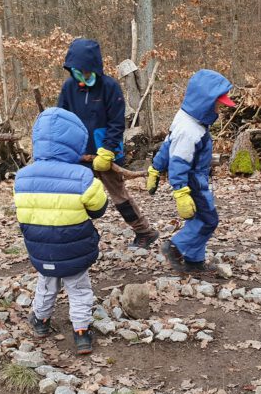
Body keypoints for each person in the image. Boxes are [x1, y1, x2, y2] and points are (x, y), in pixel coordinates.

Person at [14, 107, 108, 355]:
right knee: (78, 289)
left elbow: (22, 214)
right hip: (75, 249)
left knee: (46, 284)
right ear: (76, 142)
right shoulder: (83, 177)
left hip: (41, 249)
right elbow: (99, 209)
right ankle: (81, 333)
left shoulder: (21, 178)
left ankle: (41, 321)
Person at [57, 37, 160, 249]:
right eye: (78, 71)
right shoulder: (68, 88)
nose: (83, 75)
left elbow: (116, 122)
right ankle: (77, 238)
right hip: (79, 154)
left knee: (119, 195)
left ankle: (144, 232)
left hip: (106, 153)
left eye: (86, 71)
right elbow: (61, 118)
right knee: (76, 197)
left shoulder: (110, 87)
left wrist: (108, 150)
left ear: (94, 67)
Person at [146, 69, 235, 274]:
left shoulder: (185, 117)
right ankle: (176, 247)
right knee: (209, 220)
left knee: (197, 219)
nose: (220, 108)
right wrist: (181, 193)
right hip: (192, 181)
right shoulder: (190, 130)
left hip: (194, 179)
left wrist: (156, 168)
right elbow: (178, 161)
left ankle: (194, 261)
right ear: (205, 101)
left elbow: (167, 146)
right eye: (218, 104)